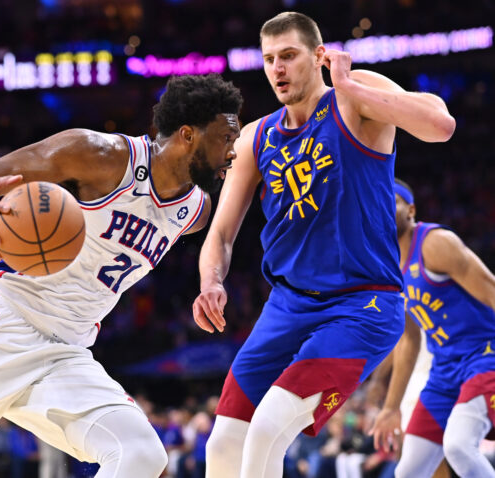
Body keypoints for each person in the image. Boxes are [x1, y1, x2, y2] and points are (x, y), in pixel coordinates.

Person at [0, 73, 243, 478]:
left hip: (65, 350)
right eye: (225, 139)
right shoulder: (98, 155)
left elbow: (220, 240)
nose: (233, 151)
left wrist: (210, 282)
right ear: (188, 135)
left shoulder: (194, 212)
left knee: (142, 455)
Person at [191, 11, 455, 477]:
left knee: (271, 426)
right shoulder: (257, 137)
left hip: (362, 305)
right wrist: (211, 280)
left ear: (318, 57)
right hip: (287, 306)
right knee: (224, 443)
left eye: (289, 56)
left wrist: (350, 86)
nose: (278, 69)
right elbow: (221, 234)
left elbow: (440, 125)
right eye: (269, 58)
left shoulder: (355, 98)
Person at [369, 178, 495, 478]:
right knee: (407, 471)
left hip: (485, 356)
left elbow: (491, 291)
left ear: (410, 209)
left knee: (458, 447)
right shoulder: (387, 270)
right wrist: (391, 407)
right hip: (444, 370)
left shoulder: (434, 243)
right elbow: (409, 341)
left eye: (391, 201)